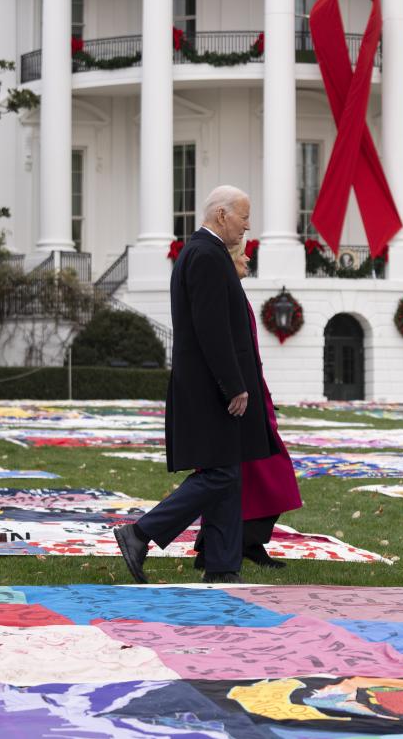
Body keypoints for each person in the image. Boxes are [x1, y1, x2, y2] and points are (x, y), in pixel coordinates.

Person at [114, 186, 280, 585]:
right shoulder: (206, 256)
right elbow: (212, 330)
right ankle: (139, 533)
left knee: (228, 472)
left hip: (207, 387)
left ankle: (222, 566)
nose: (248, 225)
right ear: (222, 215)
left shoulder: (202, 253)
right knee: (221, 474)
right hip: (211, 390)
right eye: (243, 216)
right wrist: (234, 385)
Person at [193, 236, 303, 571]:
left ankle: (239, 543)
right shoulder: (226, 292)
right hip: (237, 402)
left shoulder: (237, 294)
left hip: (250, 397)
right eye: (243, 256)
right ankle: (227, 545)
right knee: (260, 475)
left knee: (264, 476)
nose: (248, 261)